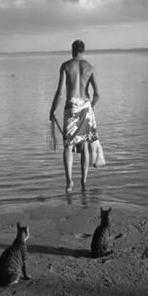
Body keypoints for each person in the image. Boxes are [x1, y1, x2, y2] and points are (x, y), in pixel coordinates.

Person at [49, 39, 100, 193]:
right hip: (85, 106)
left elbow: (59, 92)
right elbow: (97, 94)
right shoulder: (90, 68)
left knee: (68, 145)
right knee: (84, 144)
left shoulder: (66, 66)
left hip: (71, 106)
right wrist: (90, 107)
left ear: (73, 50)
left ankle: (69, 181)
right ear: (83, 51)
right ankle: (84, 181)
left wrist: (52, 111)